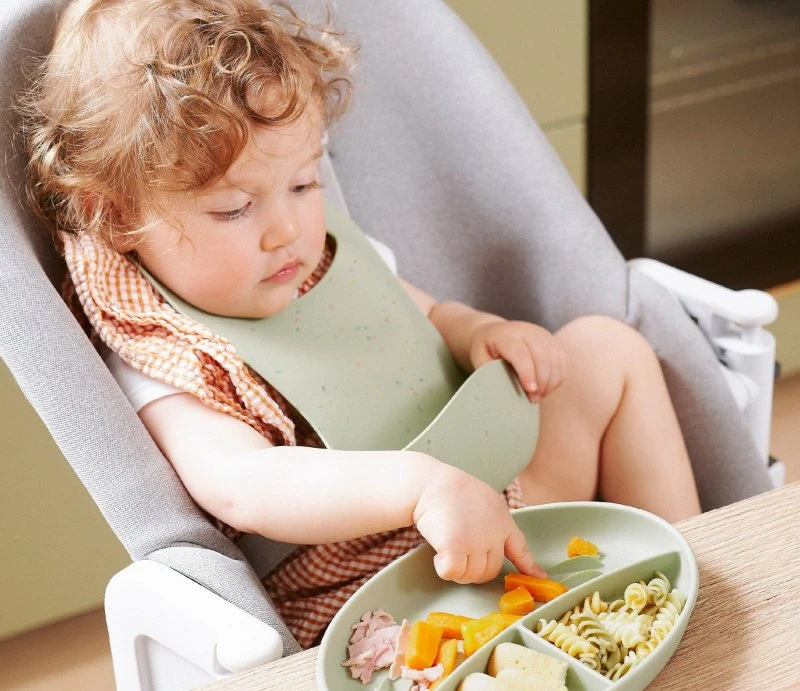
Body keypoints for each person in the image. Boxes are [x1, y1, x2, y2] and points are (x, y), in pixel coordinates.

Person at [21, 0, 701, 648]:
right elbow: (246, 486)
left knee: (608, 349)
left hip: (493, 484)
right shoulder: (161, 352)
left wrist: (479, 333)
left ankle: (694, 571)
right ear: (116, 216)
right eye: (233, 209)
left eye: (303, 183)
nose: (286, 230)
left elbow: (422, 315)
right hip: (390, 588)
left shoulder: (315, 255)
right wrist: (419, 487)